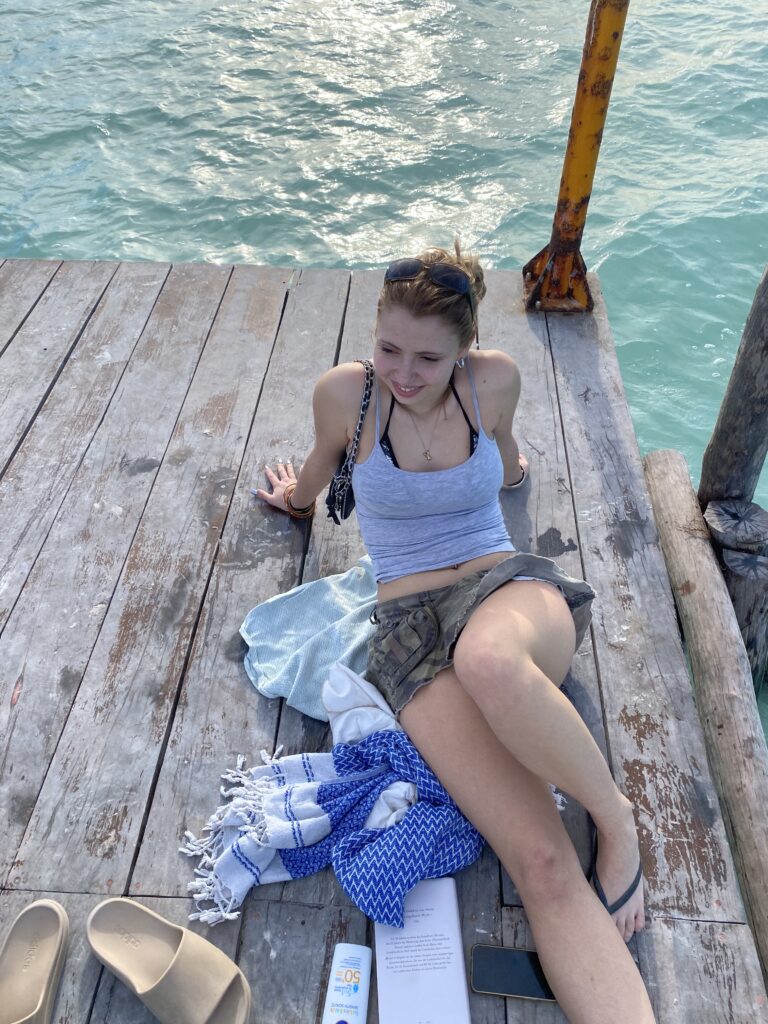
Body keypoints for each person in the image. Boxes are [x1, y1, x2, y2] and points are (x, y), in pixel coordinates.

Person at [254, 244, 655, 1023]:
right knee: (540, 860)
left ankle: (617, 820)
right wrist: (293, 499)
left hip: (506, 592)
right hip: (410, 633)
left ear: (465, 349)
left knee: (489, 659)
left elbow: (505, 460)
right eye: (390, 350)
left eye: (429, 359)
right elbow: (315, 478)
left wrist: (511, 473)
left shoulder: (492, 382)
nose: (404, 374)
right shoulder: (345, 396)